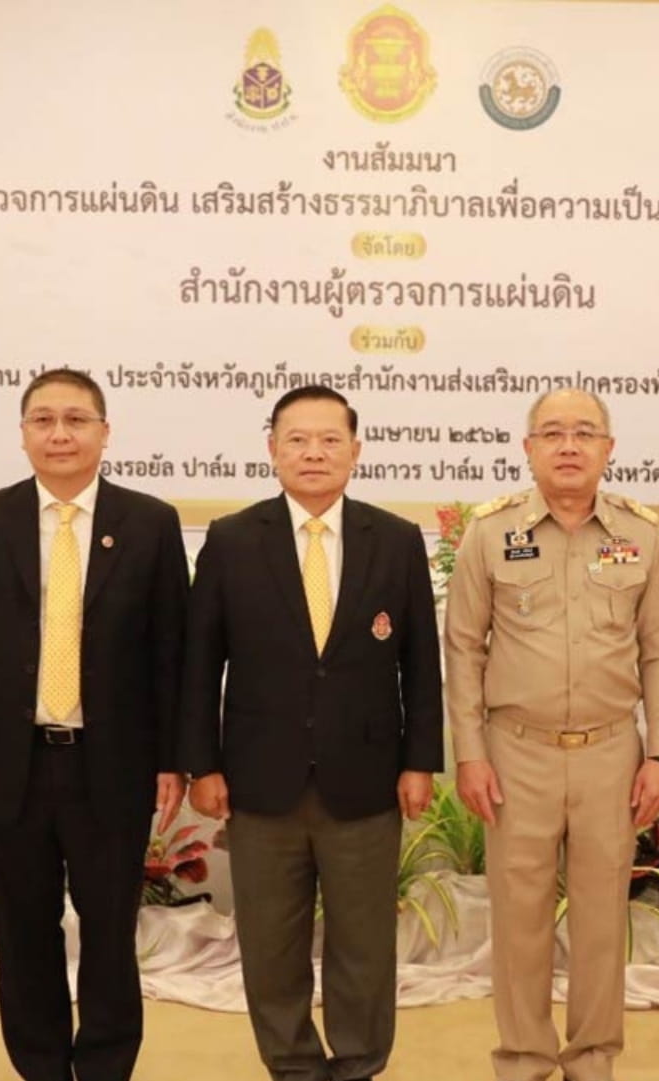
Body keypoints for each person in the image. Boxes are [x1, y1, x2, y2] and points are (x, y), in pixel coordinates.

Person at [0, 367, 189, 1081]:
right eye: (43, 420)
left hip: (112, 765)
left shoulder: (150, 522)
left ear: (105, 433)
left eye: (77, 420)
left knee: (110, 933)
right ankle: (42, 1067)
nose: (60, 434)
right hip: (7, 765)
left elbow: (171, 651)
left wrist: (172, 757)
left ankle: (105, 1067)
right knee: (22, 932)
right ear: (23, 435)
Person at [181, 383, 443, 1081]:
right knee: (271, 944)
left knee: (364, 943)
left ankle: (359, 1062)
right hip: (260, 780)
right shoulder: (232, 539)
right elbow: (200, 664)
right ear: (272, 450)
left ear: (356, 450)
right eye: (297, 439)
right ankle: (293, 1065)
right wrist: (203, 764)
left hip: (366, 780)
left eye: (330, 439)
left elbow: (420, 662)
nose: (314, 452)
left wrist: (419, 760)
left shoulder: (395, 539)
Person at [442, 387, 659, 1081]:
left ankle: (593, 1058)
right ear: (528, 448)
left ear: (609, 448)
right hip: (516, 753)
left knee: (603, 918)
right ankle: (523, 1058)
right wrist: (470, 754)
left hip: (611, 753)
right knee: (518, 918)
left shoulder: (641, 534)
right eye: (552, 433)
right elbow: (464, 648)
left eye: (584, 432)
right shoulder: (490, 532)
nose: (569, 445)